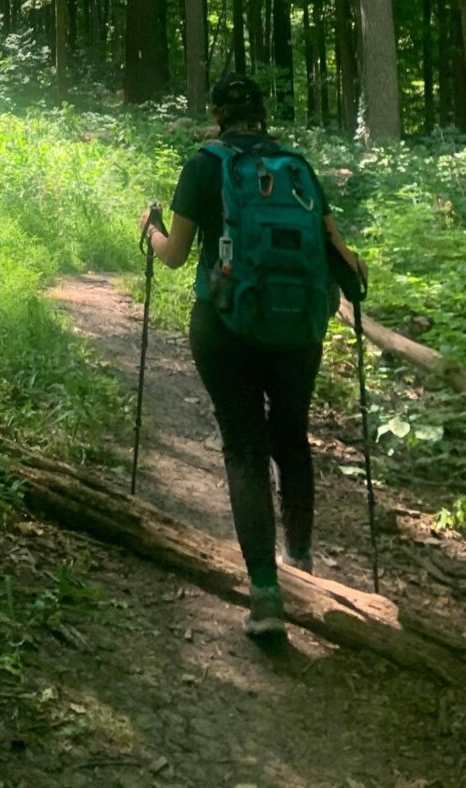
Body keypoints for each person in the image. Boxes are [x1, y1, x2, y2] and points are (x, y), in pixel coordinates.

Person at [139, 73, 366, 640]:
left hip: (225, 328)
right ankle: (303, 563)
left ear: (217, 113)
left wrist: (151, 232)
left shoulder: (204, 165)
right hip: (298, 333)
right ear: (263, 115)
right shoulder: (298, 168)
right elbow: (345, 259)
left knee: (244, 447)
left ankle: (265, 595)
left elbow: (174, 257)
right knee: (291, 437)